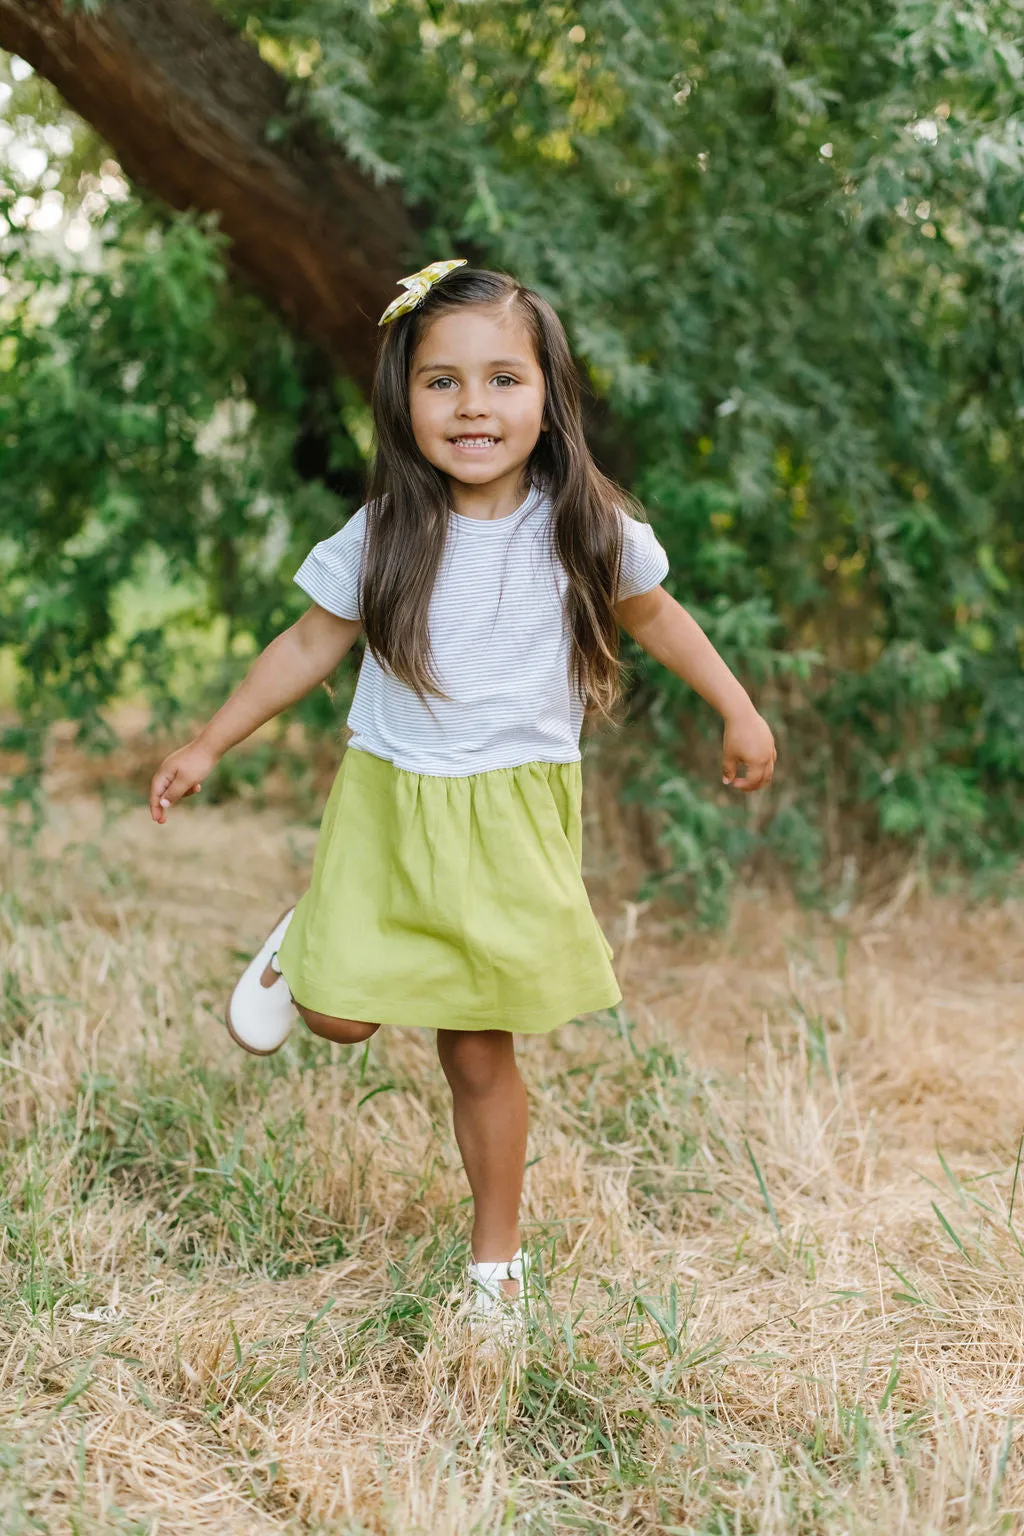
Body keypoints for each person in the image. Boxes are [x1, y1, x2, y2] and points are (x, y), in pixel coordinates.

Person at [148, 260, 776, 1324]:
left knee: (478, 1048)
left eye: (502, 380)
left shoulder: (585, 525)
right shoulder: (387, 529)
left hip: (512, 812)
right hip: (392, 798)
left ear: (548, 396)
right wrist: (211, 741)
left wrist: (738, 706)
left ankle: (495, 1270)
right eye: (441, 382)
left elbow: (658, 619)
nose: (473, 406)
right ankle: (310, 938)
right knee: (339, 1018)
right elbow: (307, 642)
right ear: (404, 399)